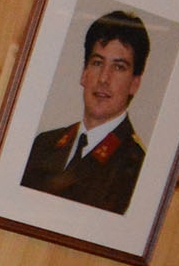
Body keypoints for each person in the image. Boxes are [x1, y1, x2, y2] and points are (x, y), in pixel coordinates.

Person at [19, 11, 150, 215]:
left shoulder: (137, 170)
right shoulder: (42, 145)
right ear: (84, 73)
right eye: (97, 63)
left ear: (135, 83)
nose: (104, 78)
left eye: (119, 67)